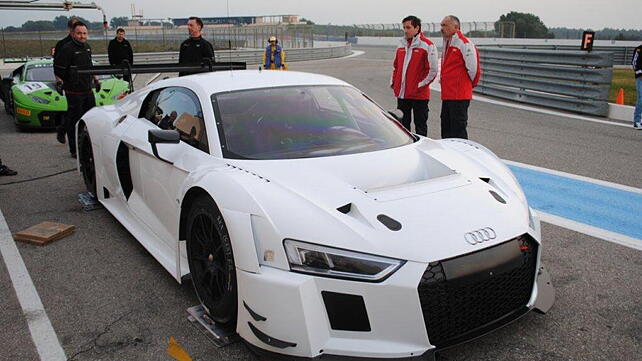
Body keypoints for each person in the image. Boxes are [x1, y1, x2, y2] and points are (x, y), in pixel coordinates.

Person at [54, 21, 100, 158]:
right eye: (79, 33)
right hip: (74, 92)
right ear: (73, 33)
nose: (82, 36)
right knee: (74, 121)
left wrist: (96, 79)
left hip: (87, 90)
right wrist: (64, 81)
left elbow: (90, 65)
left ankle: (88, 146)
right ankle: (74, 150)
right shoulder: (66, 48)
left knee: (91, 118)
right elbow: (58, 69)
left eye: (84, 33)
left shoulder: (87, 47)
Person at [390, 15, 438, 137]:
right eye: (404, 28)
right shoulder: (401, 44)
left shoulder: (427, 45)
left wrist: (419, 85)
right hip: (402, 94)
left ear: (417, 28)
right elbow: (396, 66)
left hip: (419, 95)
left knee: (420, 126)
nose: (405, 31)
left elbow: (433, 70)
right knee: (402, 128)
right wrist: (394, 82)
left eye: (408, 27)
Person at [439, 15, 480, 139]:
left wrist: (465, 86)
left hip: (459, 95)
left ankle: (461, 157)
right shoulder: (447, 43)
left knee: (458, 131)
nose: (442, 28)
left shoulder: (464, 43)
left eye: (445, 25)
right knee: (446, 129)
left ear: (456, 27)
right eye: (441, 25)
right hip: (447, 94)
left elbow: (473, 69)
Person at [54, 17, 78, 144]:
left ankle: (63, 129)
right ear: (70, 29)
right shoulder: (62, 44)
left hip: (83, 84)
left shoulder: (83, 43)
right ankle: (69, 137)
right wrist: (59, 81)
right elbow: (57, 66)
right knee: (72, 112)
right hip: (69, 84)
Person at [633, 43, 642, 129]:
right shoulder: (639, 49)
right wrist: (639, 72)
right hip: (640, 78)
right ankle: (637, 121)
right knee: (640, 98)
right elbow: (634, 63)